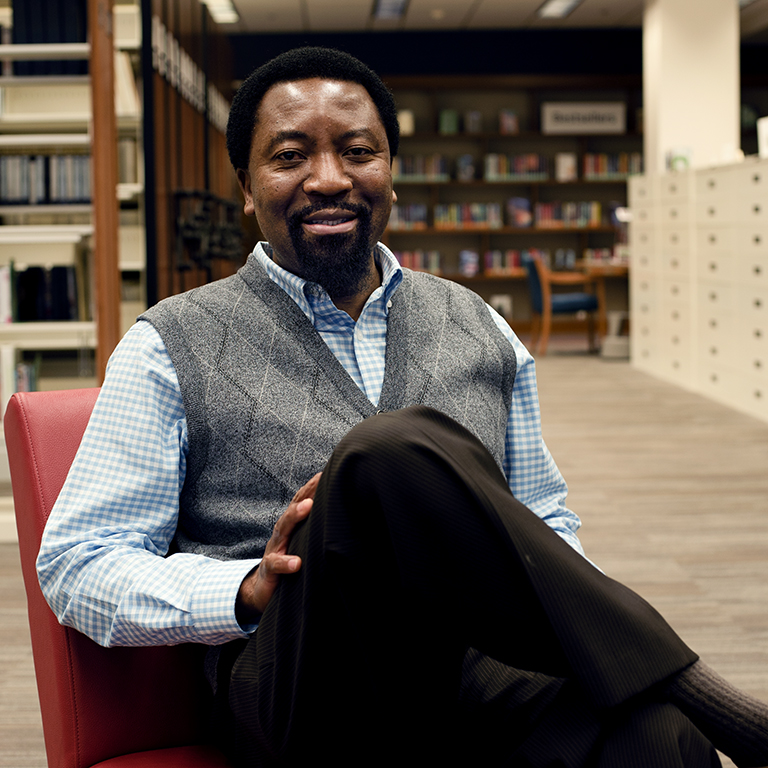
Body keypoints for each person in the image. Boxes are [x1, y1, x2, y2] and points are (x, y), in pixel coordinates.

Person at [37, 47, 768, 768]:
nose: (329, 179)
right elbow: (77, 566)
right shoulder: (170, 342)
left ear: (390, 172)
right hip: (301, 684)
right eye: (290, 156)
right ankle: (701, 688)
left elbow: (543, 521)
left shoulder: (481, 324)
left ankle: (679, 700)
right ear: (248, 187)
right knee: (388, 454)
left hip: (474, 667)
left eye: (358, 151)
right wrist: (246, 589)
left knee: (658, 737)